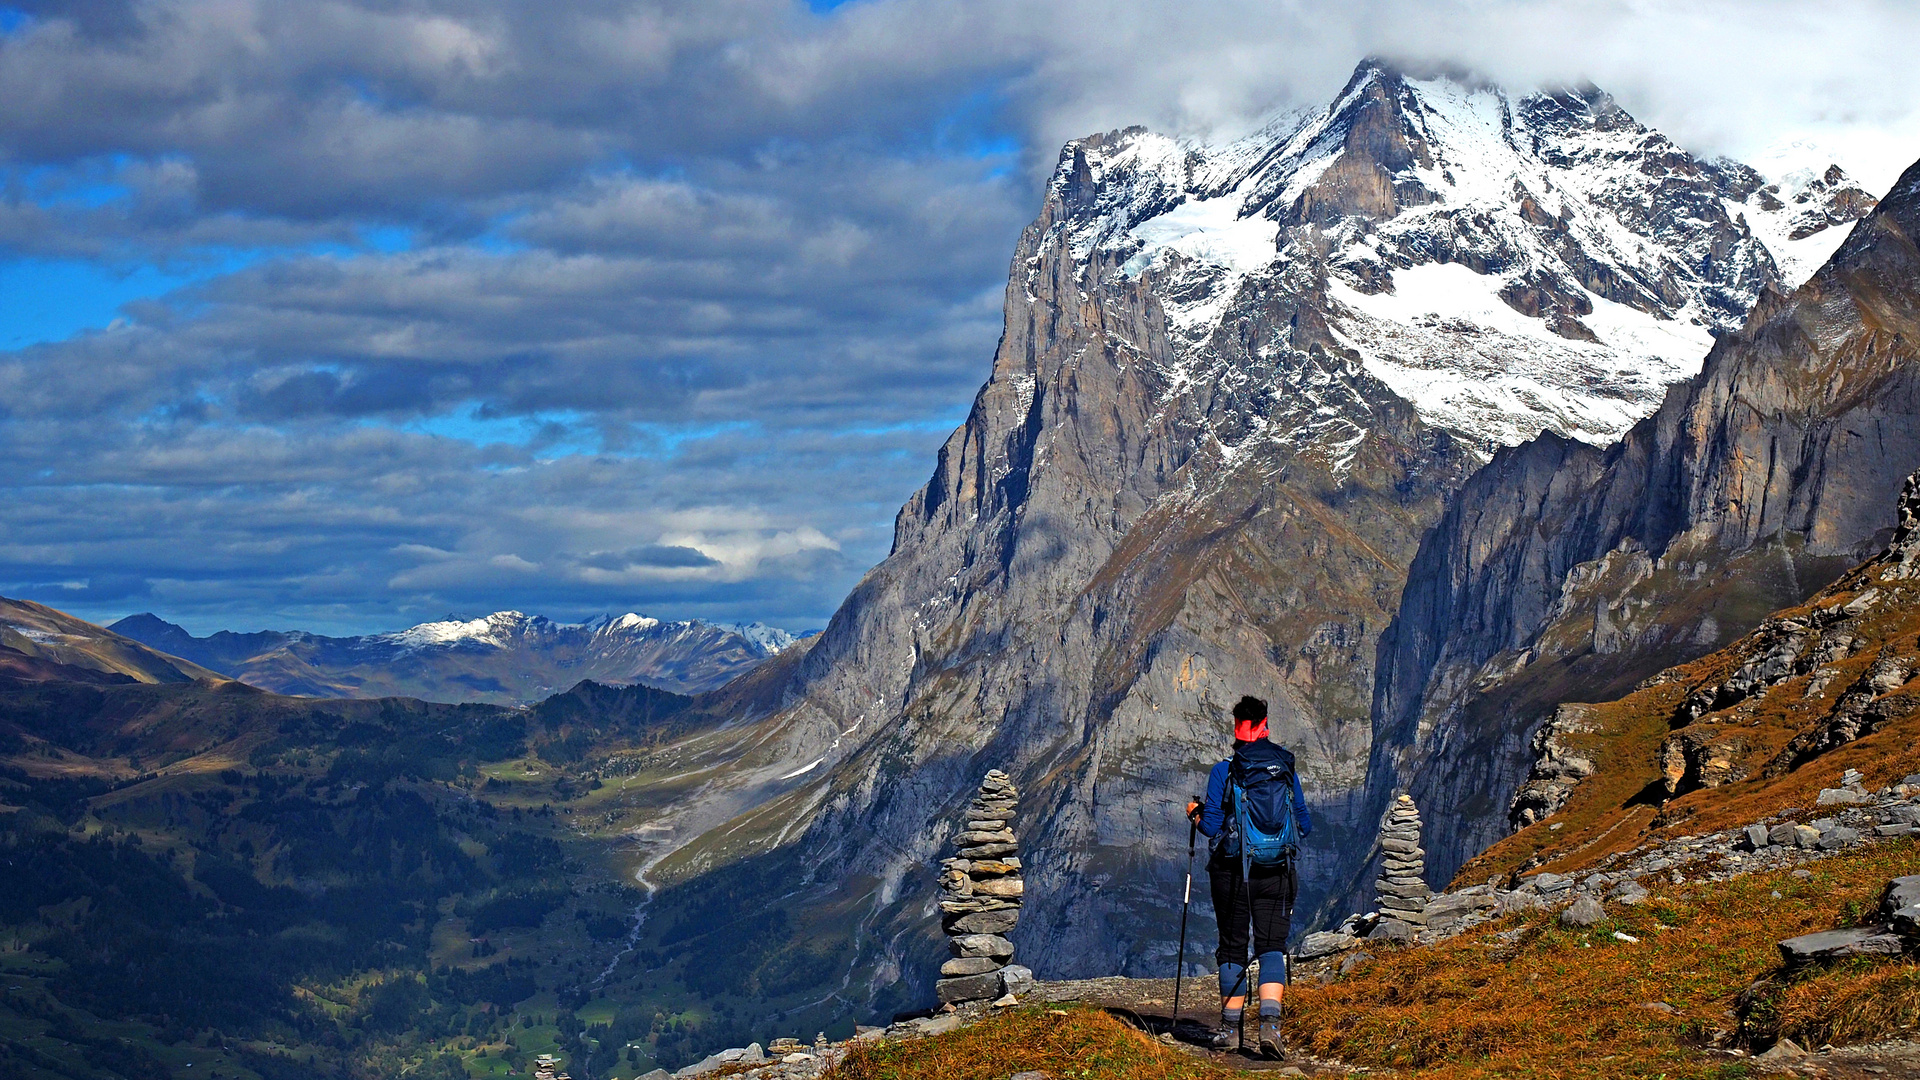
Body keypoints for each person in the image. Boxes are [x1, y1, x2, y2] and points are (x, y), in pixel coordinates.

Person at [1186, 695, 1311, 1058]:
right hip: (1277, 871)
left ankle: (1229, 1030)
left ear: (1236, 726)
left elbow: (1210, 827)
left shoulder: (1224, 770)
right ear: (1265, 724)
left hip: (1232, 873)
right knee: (1271, 947)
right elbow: (1304, 821)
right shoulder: (1285, 764)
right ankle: (1270, 1027)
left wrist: (1195, 813)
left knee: (1232, 947)